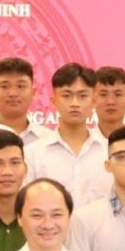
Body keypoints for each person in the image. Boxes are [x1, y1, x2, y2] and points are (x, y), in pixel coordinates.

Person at [25, 63, 109, 206]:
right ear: (53, 101)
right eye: (66, 96)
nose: (74, 103)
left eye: (82, 96)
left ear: (94, 101)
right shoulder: (32, 153)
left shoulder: (109, 152)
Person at [0, 57, 40, 144]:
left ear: (33, 92)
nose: (13, 93)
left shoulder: (49, 139)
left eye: (20, 86)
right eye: (4, 86)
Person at [94, 66, 125, 140]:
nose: (110, 102)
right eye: (103, 94)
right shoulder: (81, 142)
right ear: (93, 100)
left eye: (118, 94)